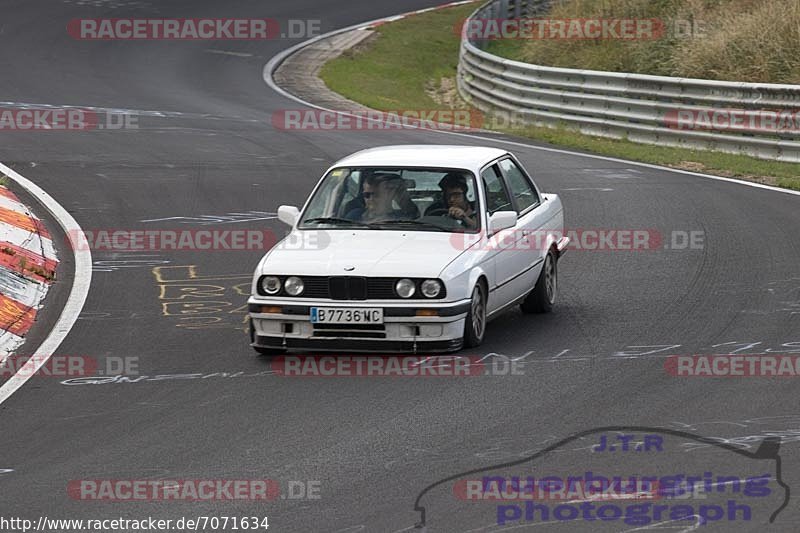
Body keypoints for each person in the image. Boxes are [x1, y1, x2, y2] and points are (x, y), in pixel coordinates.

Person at [346, 173, 419, 222]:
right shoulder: (354, 216)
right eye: (367, 195)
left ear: (391, 195)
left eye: (377, 195)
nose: (371, 199)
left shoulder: (403, 220)